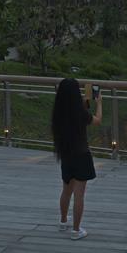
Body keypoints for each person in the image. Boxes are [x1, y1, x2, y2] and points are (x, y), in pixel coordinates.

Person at [51, 77, 102, 241]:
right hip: (82, 155)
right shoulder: (79, 113)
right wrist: (99, 103)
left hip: (66, 155)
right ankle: (76, 229)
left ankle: (63, 221)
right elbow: (96, 121)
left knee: (66, 191)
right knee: (79, 195)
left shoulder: (58, 112)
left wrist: (86, 102)